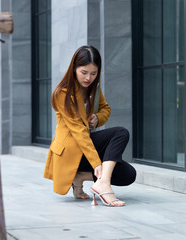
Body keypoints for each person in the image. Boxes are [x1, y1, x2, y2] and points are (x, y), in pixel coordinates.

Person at [44, 46, 136, 207]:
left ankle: (86, 178)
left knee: (128, 174)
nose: (89, 78)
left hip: (86, 146)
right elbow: (79, 132)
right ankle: (103, 185)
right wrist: (96, 163)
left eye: (93, 73)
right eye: (84, 72)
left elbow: (105, 109)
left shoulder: (94, 88)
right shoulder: (63, 93)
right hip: (70, 151)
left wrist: (97, 119)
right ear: (74, 69)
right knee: (120, 132)